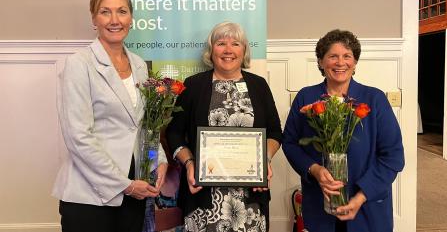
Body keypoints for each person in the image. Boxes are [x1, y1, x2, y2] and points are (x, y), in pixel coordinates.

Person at [52, 0, 168, 232]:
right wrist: (123, 184)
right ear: (94, 19)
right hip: (90, 196)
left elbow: (146, 126)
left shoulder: (138, 64)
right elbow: (78, 137)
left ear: (131, 19)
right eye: (106, 12)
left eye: (122, 11)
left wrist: (158, 160)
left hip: (135, 190)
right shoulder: (79, 64)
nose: (114, 19)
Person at [282, 29, 405, 232]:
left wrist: (361, 196)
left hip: (367, 208)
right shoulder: (306, 97)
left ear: (355, 62)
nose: (341, 62)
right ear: (321, 62)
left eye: (347, 56)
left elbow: (393, 156)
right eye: (333, 56)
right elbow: (290, 143)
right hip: (321, 208)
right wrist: (315, 169)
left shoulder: (374, 99)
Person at [165, 21, 282, 232]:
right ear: (211, 51)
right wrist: (190, 163)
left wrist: (264, 160)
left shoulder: (259, 85)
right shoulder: (193, 85)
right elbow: (174, 132)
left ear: (244, 50)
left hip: (250, 200)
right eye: (221, 43)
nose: (228, 50)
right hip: (203, 198)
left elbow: (274, 132)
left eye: (235, 44)